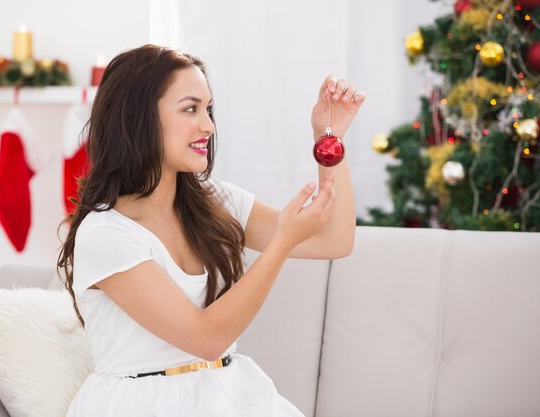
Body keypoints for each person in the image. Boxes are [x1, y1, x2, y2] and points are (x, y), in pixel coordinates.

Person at [58, 44, 365, 417]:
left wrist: (328, 136)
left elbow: (334, 240)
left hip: (229, 393)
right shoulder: (105, 235)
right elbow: (205, 339)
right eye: (190, 109)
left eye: (208, 109)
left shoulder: (214, 201)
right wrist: (282, 241)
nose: (208, 125)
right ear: (138, 118)